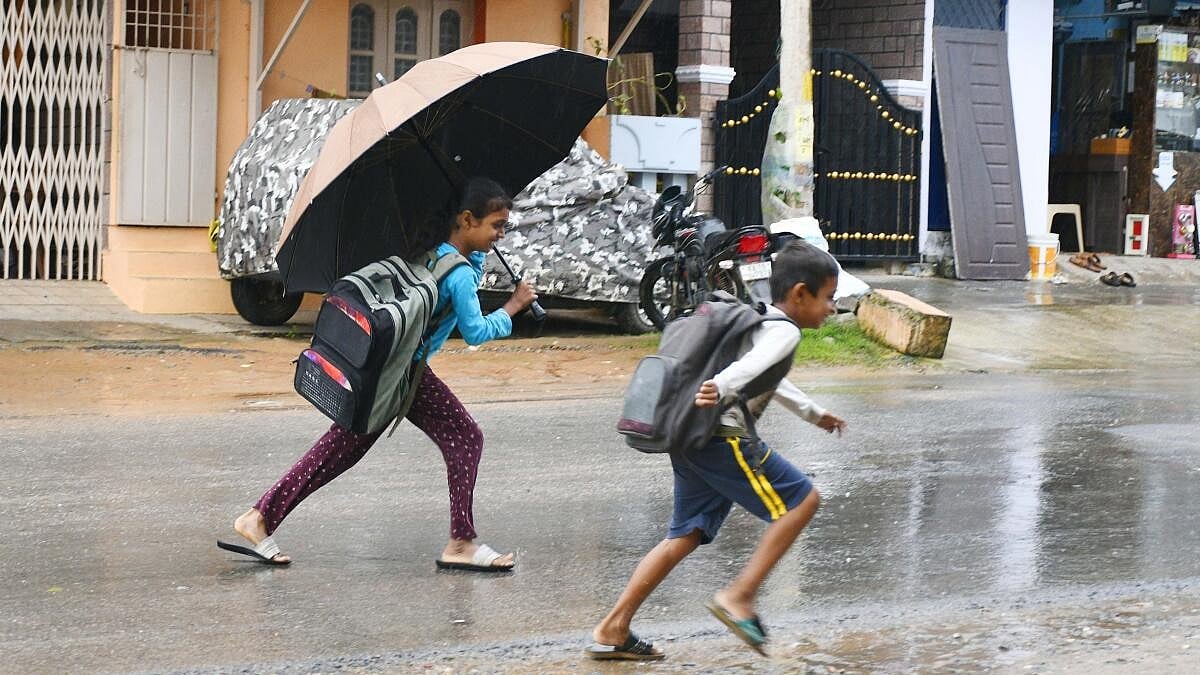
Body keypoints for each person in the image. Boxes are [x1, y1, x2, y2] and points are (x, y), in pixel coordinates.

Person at [219, 177, 537, 571]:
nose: (501, 234)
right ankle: (461, 541)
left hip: (388, 367)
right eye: (496, 225)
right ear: (467, 220)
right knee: (463, 436)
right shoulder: (459, 275)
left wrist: (475, 261)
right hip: (405, 374)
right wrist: (513, 307)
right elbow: (475, 332)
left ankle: (260, 516)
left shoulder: (433, 250)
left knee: (340, 450)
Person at [586, 241, 848, 660]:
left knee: (685, 533)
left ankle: (614, 626)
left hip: (692, 438)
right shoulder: (784, 330)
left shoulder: (759, 322)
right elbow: (749, 369)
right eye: (828, 297)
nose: (832, 308)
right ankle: (740, 596)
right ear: (800, 293)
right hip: (723, 439)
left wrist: (815, 414)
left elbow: (769, 377)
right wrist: (722, 385)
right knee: (801, 501)